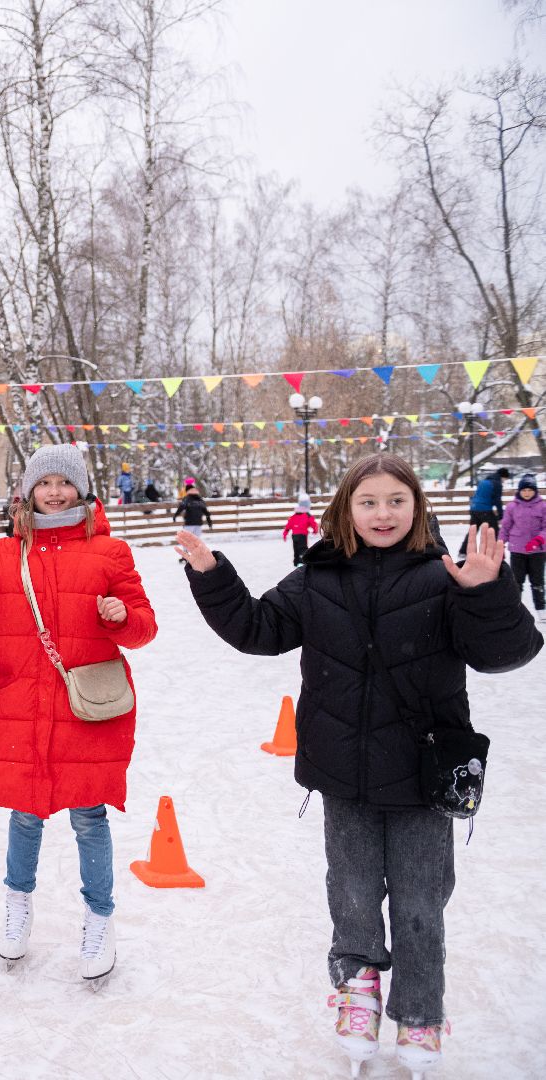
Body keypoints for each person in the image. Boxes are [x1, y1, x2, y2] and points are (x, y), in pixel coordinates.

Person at [175, 453, 541, 1076]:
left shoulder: (444, 577)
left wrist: (487, 593)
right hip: (342, 773)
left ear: (416, 508)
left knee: (422, 902)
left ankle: (421, 1014)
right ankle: (357, 992)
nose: (382, 513)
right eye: (368, 501)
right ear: (345, 509)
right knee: (351, 893)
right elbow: (256, 629)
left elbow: (504, 655)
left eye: (396, 500)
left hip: (425, 778)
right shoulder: (318, 578)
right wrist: (212, 574)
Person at [0, 444, 157, 981]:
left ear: (82, 489)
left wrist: (122, 616)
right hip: (21, 707)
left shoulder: (111, 552)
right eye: (45, 482)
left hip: (85, 708)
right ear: (28, 491)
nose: (56, 492)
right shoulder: (7, 555)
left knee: (89, 816)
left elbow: (145, 627)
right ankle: (17, 907)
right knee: (24, 813)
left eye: (66, 482)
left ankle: (100, 917)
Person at [498, 473, 545, 616]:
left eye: (530, 490)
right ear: (519, 491)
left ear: (535, 491)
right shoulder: (512, 507)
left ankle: (541, 609)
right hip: (517, 550)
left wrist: (538, 540)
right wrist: (500, 545)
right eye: (524, 490)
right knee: (516, 582)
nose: (527, 493)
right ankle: (514, 609)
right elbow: (505, 527)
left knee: (537, 582)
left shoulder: (543, 506)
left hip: (537, 552)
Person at [462, 467, 510, 557]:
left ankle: (463, 551)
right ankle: (499, 553)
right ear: (503, 476)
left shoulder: (485, 481)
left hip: (474, 509)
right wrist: (501, 514)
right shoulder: (497, 483)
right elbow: (497, 500)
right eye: (505, 478)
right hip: (485, 510)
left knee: (473, 530)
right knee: (494, 530)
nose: (504, 481)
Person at [283, 493, 321, 567]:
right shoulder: (307, 515)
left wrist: (285, 533)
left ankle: (296, 562)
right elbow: (313, 524)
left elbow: (289, 525)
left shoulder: (294, 515)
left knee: (296, 548)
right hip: (302, 535)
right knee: (303, 549)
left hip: (294, 536)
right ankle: (302, 562)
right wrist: (315, 531)